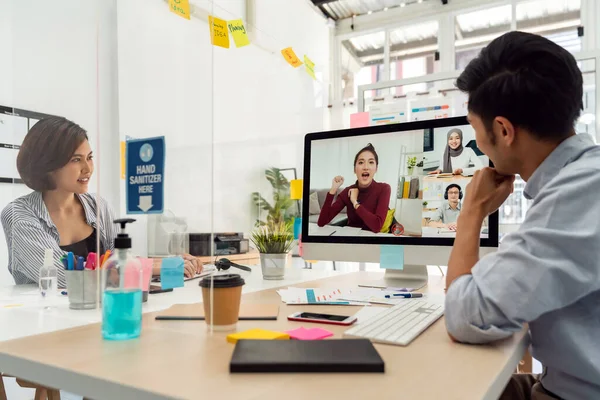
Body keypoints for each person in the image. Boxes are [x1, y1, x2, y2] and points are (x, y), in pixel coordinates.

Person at [444, 31, 600, 400]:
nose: (476, 144)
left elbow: (466, 315)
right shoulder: (580, 179)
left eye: (475, 131)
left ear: (503, 130)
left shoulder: (575, 196)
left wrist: (472, 211)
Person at [1, 117, 202, 288]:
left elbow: (119, 262)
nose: (87, 169)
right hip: (45, 323)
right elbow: (64, 277)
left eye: (89, 157)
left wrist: (169, 262)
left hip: (97, 315)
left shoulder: (97, 206)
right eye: (76, 160)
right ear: (48, 165)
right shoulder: (20, 214)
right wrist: (157, 267)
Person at [317, 143, 391, 233]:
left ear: (376, 168)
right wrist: (333, 190)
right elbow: (321, 222)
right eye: (361, 162)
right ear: (355, 169)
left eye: (371, 162)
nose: (366, 167)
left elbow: (377, 226)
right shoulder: (347, 191)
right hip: (350, 240)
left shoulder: (384, 189)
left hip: (371, 242)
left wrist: (355, 203)